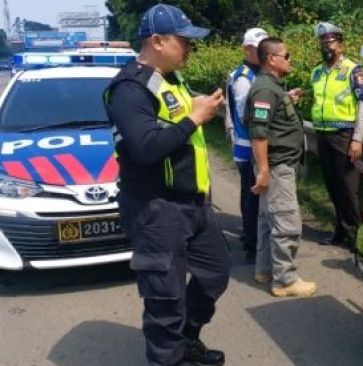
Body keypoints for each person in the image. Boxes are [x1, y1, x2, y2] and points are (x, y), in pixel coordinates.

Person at [104, 4, 231, 366]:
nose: (190, 48)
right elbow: (145, 149)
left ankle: (185, 340)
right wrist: (196, 117)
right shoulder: (129, 87)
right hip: (156, 208)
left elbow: (180, 138)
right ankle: (169, 357)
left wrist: (198, 108)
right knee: (165, 300)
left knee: (216, 271)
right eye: (184, 41)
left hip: (193, 206)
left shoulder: (171, 79)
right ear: (157, 41)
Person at [245, 37, 317, 297]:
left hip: (273, 166)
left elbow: (270, 116)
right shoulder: (265, 90)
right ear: (272, 60)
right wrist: (264, 170)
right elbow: (259, 133)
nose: (290, 60)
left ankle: (265, 269)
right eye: (286, 56)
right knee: (287, 222)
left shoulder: (272, 88)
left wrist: (287, 98)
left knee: (267, 220)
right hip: (276, 167)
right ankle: (285, 280)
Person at [310, 22, 363, 250]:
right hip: (322, 135)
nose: (326, 46)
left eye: (330, 42)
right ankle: (340, 231)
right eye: (322, 42)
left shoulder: (353, 70)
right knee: (332, 185)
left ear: (340, 44)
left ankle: (355, 238)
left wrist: (357, 138)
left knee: (348, 188)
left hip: (343, 136)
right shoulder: (316, 72)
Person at [224, 27, 269, 264]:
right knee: (252, 196)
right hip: (248, 146)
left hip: (253, 144)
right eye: (257, 48)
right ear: (247, 49)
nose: (262, 52)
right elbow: (244, 114)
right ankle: (252, 242)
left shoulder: (257, 73)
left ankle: (252, 236)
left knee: (253, 195)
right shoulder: (243, 76)